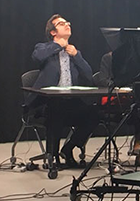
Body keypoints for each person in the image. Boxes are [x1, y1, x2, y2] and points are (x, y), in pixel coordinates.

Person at [30, 14, 98, 168]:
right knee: (56, 110)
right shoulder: (43, 47)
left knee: (94, 115)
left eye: (68, 22)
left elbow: (89, 75)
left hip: (70, 101)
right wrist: (58, 46)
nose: (67, 24)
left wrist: (77, 56)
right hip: (47, 103)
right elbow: (37, 57)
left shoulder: (73, 52)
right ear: (53, 32)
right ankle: (52, 157)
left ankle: (68, 149)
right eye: (61, 23)